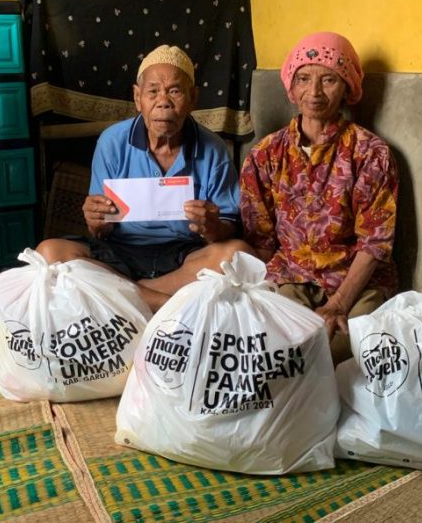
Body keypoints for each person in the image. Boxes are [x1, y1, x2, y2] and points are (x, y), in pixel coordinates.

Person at [36, 45, 251, 310]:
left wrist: (211, 225)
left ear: (193, 98)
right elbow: (101, 231)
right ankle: (168, 305)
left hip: (184, 257)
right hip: (120, 254)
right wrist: (96, 221)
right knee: (49, 253)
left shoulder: (213, 148)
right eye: (152, 91)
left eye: (175, 90)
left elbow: (228, 226)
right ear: (138, 98)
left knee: (238, 254)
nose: (163, 101)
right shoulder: (112, 142)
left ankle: (122, 298)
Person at [240, 32, 398, 364]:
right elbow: (262, 239)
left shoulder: (370, 153)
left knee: (338, 354)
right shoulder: (266, 155)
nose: (314, 92)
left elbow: (375, 243)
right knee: (278, 351)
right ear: (291, 87)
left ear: (347, 88)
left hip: (357, 283)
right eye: (303, 79)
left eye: (328, 79)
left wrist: (339, 303)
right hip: (293, 277)